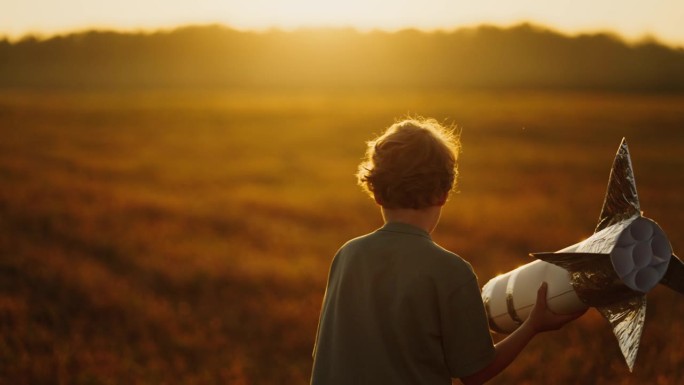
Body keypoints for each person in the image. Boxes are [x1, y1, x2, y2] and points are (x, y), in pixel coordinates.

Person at [310, 117, 585, 385]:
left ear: (377, 193)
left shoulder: (347, 255)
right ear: (444, 193)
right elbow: (476, 373)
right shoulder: (451, 271)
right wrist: (532, 326)